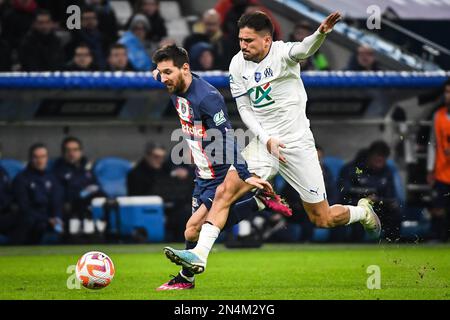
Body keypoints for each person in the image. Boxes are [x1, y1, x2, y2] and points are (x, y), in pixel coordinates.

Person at [164, 11, 381, 275]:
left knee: (322, 219)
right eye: (241, 40)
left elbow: (305, 48)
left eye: (249, 41)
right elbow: (244, 108)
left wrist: (321, 33)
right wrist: (266, 139)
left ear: (267, 41)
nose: (243, 45)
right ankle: (199, 255)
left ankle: (362, 213)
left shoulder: (283, 54)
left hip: (297, 146)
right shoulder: (237, 64)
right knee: (224, 192)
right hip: (263, 143)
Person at [152, 44, 290, 290]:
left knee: (192, 227)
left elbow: (227, 137)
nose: (163, 78)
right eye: (160, 73)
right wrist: (159, 72)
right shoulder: (173, 81)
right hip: (202, 174)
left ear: (185, 68)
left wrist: (245, 175)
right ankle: (257, 203)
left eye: (167, 73)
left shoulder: (207, 98)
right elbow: (162, 72)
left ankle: (186, 280)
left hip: (220, 174)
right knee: (192, 233)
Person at [127, 142, 193, 242]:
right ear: (147, 156)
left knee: (185, 211)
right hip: (147, 210)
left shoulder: (165, 170)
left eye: (162, 157)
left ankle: (185, 243)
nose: (159, 160)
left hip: (168, 207)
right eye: (156, 157)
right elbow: (137, 197)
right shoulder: (136, 174)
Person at [338, 141, 401, 241]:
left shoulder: (387, 172)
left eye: (382, 159)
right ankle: (355, 245)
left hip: (378, 205)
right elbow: (344, 191)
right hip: (356, 204)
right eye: (376, 159)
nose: (379, 163)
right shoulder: (352, 169)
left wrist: (377, 199)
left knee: (395, 211)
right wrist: (364, 196)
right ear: (370, 156)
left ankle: (391, 243)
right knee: (358, 213)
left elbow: (391, 196)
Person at [52, 137, 104, 238]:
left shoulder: (87, 169)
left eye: (75, 150)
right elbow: (60, 196)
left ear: (81, 151)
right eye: (68, 150)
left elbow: (98, 187)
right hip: (71, 210)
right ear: (63, 153)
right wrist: (82, 193)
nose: (72, 154)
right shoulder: (58, 171)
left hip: (90, 207)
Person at [12, 143, 63, 244]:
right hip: (33, 221)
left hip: (52, 220)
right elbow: (24, 207)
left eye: (43, 157)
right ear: (30, 159)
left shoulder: (52, 178)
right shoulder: (21, 179)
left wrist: (57, 217)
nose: (40, 161)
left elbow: (57, 201)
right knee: (31, 222)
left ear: (47, 158)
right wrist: (48, 219)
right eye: (36, 157)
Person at [427, 78, 450, 242]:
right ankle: (438, 238)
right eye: (448, 92)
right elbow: (432, 143)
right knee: (438, 208)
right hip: (442, 171)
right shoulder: (438, 116)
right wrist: (430, 169)